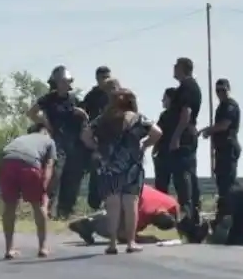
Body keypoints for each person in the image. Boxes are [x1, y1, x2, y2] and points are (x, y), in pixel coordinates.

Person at [80, 88, 162, 254]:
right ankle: (131, 242)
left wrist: (97, 147)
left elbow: (85, 135)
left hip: (109, 167)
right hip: (132, 166)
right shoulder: (138, 118)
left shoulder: (103, 119)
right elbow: (157, 132)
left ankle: (112, 244)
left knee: (112, 205)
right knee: (130, 204)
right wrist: (144, 144)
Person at [27, 66, 86, 220]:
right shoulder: (48, 99)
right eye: (61, 81)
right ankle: (46, 208)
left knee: (72, 176)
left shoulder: (75, 99)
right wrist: (45, 123)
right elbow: (31, 112)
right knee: (54, 174)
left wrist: (83, 114)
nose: (64, 84)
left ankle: (65, 211)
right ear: (55, 82)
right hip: (56, 140)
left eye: (67, 81)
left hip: (73, 141)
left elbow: (86, 120)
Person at [0, 123, 57, 259]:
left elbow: (2, 159)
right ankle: (42, 248)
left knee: (10, 206)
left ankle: (9, 249)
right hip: (29, 163)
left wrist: (0, 181)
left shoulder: (20, 139)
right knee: (38, 205)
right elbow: (49, 165)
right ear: (45, 131)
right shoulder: (49, 140)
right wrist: (44, 186)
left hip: (7, 161)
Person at [68, 184, 178, 245]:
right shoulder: (144, 213)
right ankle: (89, 225)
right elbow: (123, 236)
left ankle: (91, 220)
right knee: (116, 228)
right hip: (121, 197)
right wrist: (146, 239)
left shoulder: (171, 203)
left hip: (129, 186)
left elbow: (181, 214)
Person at [168, 57, 203, 240]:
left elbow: (186, 113)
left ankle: (190, 216)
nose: (173, 69)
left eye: (176, 66)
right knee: (186, 174)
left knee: (184, 176)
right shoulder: (186, 87)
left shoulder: (188, 88)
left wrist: (176, 137)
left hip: (185, 137)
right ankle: (192, 215)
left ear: (183, 68)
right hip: (187, 135)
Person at [199, 78, 241, 223]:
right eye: (217, 91)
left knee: (227, 183)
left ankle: (229, 215)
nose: (220, 93)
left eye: (223, 90)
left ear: (228, 89)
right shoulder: (222, 106)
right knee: (222, 182)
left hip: (228, 148)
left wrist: (208, 130)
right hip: (222, 149)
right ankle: (224, 214)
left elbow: (224, 125)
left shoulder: (230, 106)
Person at [79, 66, 113, 211]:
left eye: (108, 77)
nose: (106, 81)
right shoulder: (92, 96)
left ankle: (111, 206)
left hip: (114, 141)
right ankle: (95, 205)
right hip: (96, 138)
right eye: (103, 78)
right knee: (96, 172)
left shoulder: (117, 95)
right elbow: (83, 113)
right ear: (98, 79)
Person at [153, 87, 179, 195]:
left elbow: (158, 132)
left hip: (165, 152)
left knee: (162, 183)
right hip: (170, 152)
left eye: (165, 98)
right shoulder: (173, 115)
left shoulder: (167, 115)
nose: (163, 101)